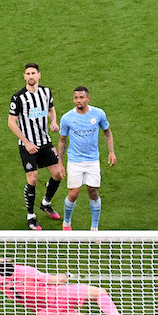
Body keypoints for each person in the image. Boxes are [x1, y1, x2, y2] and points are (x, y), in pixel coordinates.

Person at [0, 207, 142, 315]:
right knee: (98, 293)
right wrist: (68, 276)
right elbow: (54, 280)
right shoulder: (24, 271)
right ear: (9, 265)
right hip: (56, 296)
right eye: (4, 260)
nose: (4, 259)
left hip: (44, 311)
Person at [9, 63, 63, 230]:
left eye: (33, 73)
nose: (31, 76)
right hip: (28, 144)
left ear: (39, 75)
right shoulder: (18, 98)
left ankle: (46, 203)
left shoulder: (46, 92)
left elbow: (51, 109)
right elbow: (11, 122)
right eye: (27, 73)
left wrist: (53, 121)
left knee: (58, 174)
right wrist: (26, 142)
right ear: (24, 77)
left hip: (45, 142)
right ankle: (31, 215)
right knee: (32, 178)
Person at [56, 86, 116, 231]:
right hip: (75, 161)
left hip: (92, 161)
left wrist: (111, 152)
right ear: (73, 99)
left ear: (88, 98)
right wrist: (60, 163)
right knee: (73, 193)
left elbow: (107, 132)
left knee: (93, 191)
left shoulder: (98, 114)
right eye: (76, 98)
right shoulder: (67, 118)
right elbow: (62, 140)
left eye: (82, 97)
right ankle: (67, 223)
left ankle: (94, 228)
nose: (78, 100)